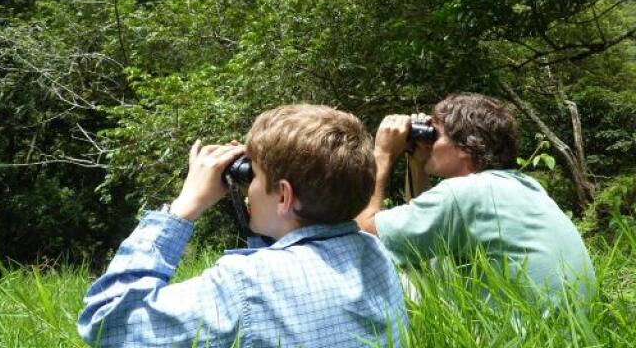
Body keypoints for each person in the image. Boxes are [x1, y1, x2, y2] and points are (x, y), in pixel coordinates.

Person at [78, 104, 406, 347]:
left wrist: (181, 208)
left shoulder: (246, 283)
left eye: (252, 177)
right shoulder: (374, 254)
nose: (247, 190)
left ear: (283, 196)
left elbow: (107, 325)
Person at [356, 93, 595, 301]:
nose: (427, 144)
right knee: (428, 257)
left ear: (466, 147)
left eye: (434, 136)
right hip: (565, 332)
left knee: (398, 270)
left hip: (518, 338)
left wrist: (382, 154)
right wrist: (417, 164)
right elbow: (427, 234)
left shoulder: (465, 194)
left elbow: (365, 233)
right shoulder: (526, 185)